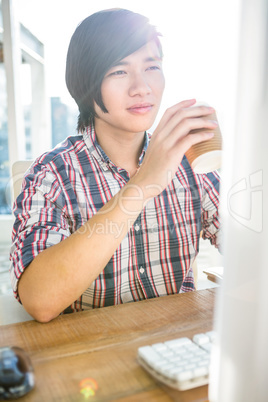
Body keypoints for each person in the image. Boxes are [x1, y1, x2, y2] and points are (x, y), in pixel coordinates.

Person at [10, 8, 220, 323]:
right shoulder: (52, 173)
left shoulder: (189, 160)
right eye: (119, 71)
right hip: (92, 357)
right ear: (85, 84)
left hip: (178, 350)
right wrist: (142, 184)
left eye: (152, 66)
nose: (142, 87)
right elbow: (40, 300)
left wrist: (245, 161)